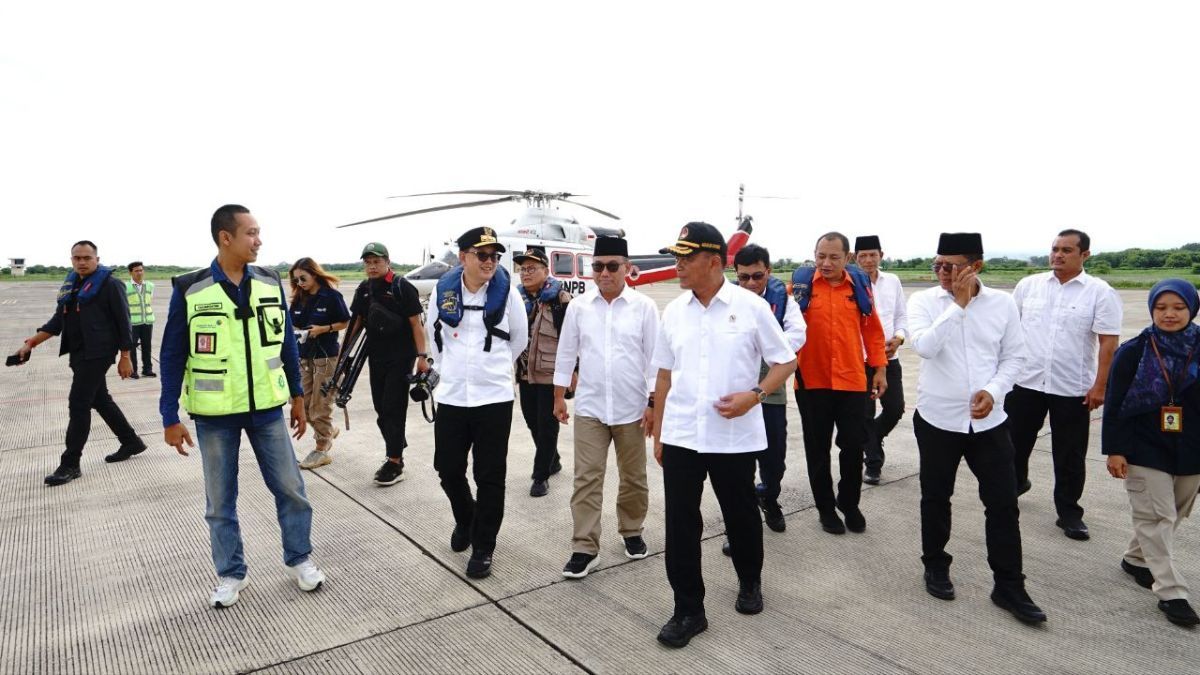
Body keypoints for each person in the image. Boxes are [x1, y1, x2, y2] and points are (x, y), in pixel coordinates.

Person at [159, 204, 324, 608]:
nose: (259, 240)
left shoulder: (269, 282)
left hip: (267, 409)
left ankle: (300, 558)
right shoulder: (190, 289)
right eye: (251, 233)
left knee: (291, 488)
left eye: (259, 232)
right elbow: (171, 354)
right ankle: (231, 574)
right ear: (225, 237)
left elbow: (285, 342)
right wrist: (169, 416)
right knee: (220, 501)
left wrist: (299, 398)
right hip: (215, 416)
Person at [651, 222, 796, 648]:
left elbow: (785, 362)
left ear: (714, 261)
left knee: (741, 515)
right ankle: (688, 609)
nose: (676, 266)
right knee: (680, 523)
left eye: (685, 258)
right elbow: (663, 374)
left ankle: (750, 581)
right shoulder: (675, 311)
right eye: (675, 257)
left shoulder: (750, 307)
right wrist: (659, 432)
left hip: (733, 437)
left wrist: (756, 395)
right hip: (681, 434)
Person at [907, 232, 1045, 624]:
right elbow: (926, 348)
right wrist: (959, 305)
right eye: (938, 265)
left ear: (976, 266)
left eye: (951, 266)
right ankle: (935, 563)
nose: (943, 273)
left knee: (1003, 504)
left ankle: (1009, 585)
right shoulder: (923, 302)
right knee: (936, 497)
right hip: (938, 419)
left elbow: (1015, 356)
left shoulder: (1002, 303)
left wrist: (995, 390)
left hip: (990, 422)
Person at [1005, 229, 1121, 541]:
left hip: (1072, 387)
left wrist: (1100, 386)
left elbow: (1109, 343)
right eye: (1055, 248)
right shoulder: (1029, 286)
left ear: (1084, 255)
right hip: (1025, 382)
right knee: (1013, 443)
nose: (1058, 254)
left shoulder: (1100, 292)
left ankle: (1069, 511)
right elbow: (1009, 331)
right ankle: (1014, 486)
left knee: (1069, 454)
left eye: (1067, 250)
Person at [426, 227, 528, 579]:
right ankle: (465, 517)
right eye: (482, 255)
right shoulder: (443, 292)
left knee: (490, 476)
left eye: (495, 256)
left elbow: (519, 339)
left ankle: (484, 545)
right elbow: (434, 340)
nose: (490, 262)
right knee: (448, 468)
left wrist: (492, 369)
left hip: (494, 397)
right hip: (453, 395)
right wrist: (449, 371)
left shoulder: (508, 294)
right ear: (463, 257)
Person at [552, 236, 658, 578]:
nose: (605, 273)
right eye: (598, 266)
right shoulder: (579, 307)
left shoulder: (644, 308)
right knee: (586, 479)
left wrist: (654, 403)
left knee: (634, 478)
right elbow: (566, 354)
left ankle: (632, 532)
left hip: (632, 408)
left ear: (627, 269)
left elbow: (656, 362)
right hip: (590, 408)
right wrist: (558, 396)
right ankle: (584, 547)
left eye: (613, 266)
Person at [1102, 279, 1200, 627]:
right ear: (1151, 310)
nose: (1169, 314)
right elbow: (1113, 404)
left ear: (1192, 309)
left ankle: (1135, 558)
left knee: (1173, 512)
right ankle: (1172, 592)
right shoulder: (1134, 351)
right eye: (1161, 308)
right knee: (1156, 517)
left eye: (1178, 307)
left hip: (1191, 448)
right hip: (1144, 447)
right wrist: (1115, 450)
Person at [14, 240, 146, 485]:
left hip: (98, 353)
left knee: (78, 404)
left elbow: (124, 323)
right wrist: (29, 344)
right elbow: (56, 323)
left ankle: (70, 463)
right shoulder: (72, 285)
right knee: (100, 399)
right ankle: (131, 442)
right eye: (77, 258)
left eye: (87, 257)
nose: (82, 262)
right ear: (72, 259)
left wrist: (125, 357)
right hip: (78, 352)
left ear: (97, 258)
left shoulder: (110, 285)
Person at [793, 232, 888, 534]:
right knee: (817, 449)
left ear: (847, 258)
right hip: (812, 381)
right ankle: (825, 509)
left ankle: (849, 502)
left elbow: (872, 332)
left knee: (852, 447)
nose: (826, 263)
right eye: (821, 256)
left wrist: (880, 369)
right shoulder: (801, 290)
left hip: (851, 380)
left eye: (834, 257)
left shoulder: (858, 289)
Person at [730, 243, 806, 538]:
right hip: (735, 391)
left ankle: (769, 496)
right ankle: (738, 524)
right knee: (738, 464)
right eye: (744, 277)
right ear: (735, 274)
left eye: (757, 276)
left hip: (770, 388)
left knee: (774, 459)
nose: (750, 283)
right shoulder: (727, 301)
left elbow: (797, 334)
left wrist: (763, 344)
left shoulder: (784, 301)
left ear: (769, 272)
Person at [347, 242, 429, 485]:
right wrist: (343, 358)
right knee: (381, 410)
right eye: (368, 262)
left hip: (401, 359)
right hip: (376, 358)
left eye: (377, 262)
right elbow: (356, 324)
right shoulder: (363, 289)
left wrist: (421, 358)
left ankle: (395, 461)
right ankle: (396, 445)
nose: (372, 266)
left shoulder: (402, 287)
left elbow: (416, 324)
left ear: (387, 262)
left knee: (393, 408)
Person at [514, 248, 571, 497]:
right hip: (525, 373)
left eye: (532, 268)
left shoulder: (559, 298)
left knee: (547, 424)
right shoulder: (517, 300)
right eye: (523, 269)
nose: (526, 273)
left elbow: (572, 338)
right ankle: (553, 459)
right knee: (531, 420)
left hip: (551, 373)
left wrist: (573, 371)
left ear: (546, 271)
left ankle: (540, 476)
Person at [853, 235, 908, 485]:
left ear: (881, 255)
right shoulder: (851, 283)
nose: (867, 260)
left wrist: (899, 338)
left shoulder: (892, 281)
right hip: (860, 359)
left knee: (895, 407)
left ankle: (872, 436)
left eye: (872, 255)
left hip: (889, 357)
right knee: (865, 413)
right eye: (862, 255)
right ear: (854, 258)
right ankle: (873, 464)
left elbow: (901, 316)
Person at [288, 257, 351, 469]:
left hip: (326, 358)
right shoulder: (299, 298)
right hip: (304, 356)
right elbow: (291, 324)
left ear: (314, 275)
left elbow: (345, 322)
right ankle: (328, 430)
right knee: (302, 402)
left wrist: (323, 329)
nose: (300, 283)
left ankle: (322, 447)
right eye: (296, 280)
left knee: (320, 404)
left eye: (303, 278)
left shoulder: (331, 296)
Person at [125, 261, 157, 378]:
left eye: (141, 270)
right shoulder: (125, 286)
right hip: (132, 322)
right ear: (130, 272)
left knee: (147, 346)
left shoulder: (150, 285)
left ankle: (147, 369)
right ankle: (133, 370)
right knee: (132, 347)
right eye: (136, 271)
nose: (139, 273)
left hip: (147, 321)